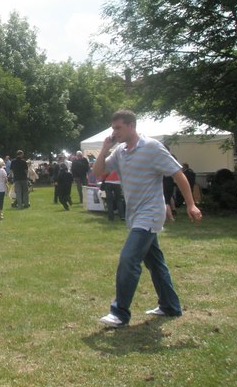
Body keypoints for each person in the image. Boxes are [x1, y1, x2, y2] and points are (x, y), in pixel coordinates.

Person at [93, 110, 202, 328]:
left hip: (150, 214)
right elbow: (98, 173)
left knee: (128, 259)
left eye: (118, 128)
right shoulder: (121, 152)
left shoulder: (151, 147)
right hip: (134, 215)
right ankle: (170, 305)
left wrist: (190, 204)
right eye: (113, 128)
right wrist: (104, 149)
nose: (114, 132)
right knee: (155, 263)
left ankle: (119, 313)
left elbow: (177, 173)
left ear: (131, 126)